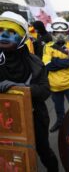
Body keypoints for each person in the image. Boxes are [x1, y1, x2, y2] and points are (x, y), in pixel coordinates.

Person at [0, 11, 58, 171]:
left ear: (23, 37)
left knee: (44, 151)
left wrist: (19, 89)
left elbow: (45, 90)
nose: (4, 35)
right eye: (1, 30)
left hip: (34, 116)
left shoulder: (34, 62)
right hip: (3, 118)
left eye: (12, 32)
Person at [42, 17, 69, 132]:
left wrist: (56, 61)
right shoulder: (47, 47)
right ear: (52, 33)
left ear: (66, 32)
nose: (60, 35)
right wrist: (67, 62)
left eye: (62, 32)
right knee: (59, 109)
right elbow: (48, 65)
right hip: (55, 85)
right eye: (57, 32)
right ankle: (60, 123)